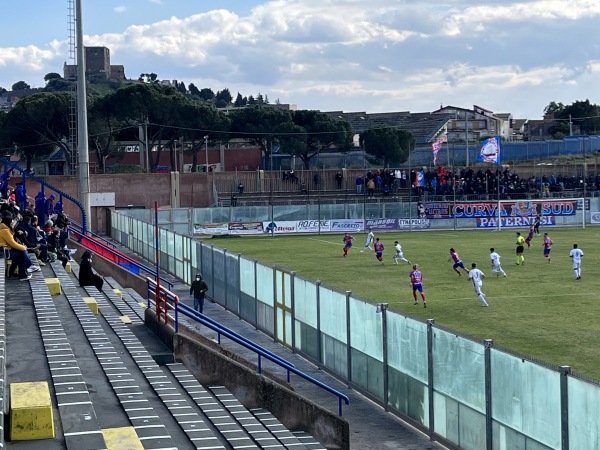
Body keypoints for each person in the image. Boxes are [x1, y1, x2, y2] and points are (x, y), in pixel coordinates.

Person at [0, 213, 39, 281]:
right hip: (4, 251)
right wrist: (23, 247)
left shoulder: (6, 229)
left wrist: (22, 246)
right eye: (11, 221)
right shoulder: (5, 231)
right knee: (21, 252)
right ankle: (28, 268)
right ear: (8, 222)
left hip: (6, 250)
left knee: (20, 255)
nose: (13, 223)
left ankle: (22, 274)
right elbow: (13, 244)